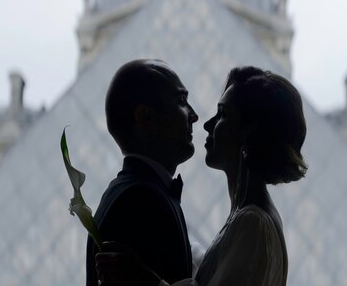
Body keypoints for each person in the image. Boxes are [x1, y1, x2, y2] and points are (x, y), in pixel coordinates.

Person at [96, 66, 308, 286]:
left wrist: (148, 281)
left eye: (223, 114)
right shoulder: (250, 216)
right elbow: (216, 269)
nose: (206, 123)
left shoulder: (253, 223)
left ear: (250, 133)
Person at [86, 59, 199, 286]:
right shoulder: (139, 200)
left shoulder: (133, 191)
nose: (194, 115)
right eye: (182, 101)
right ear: (144, 116)